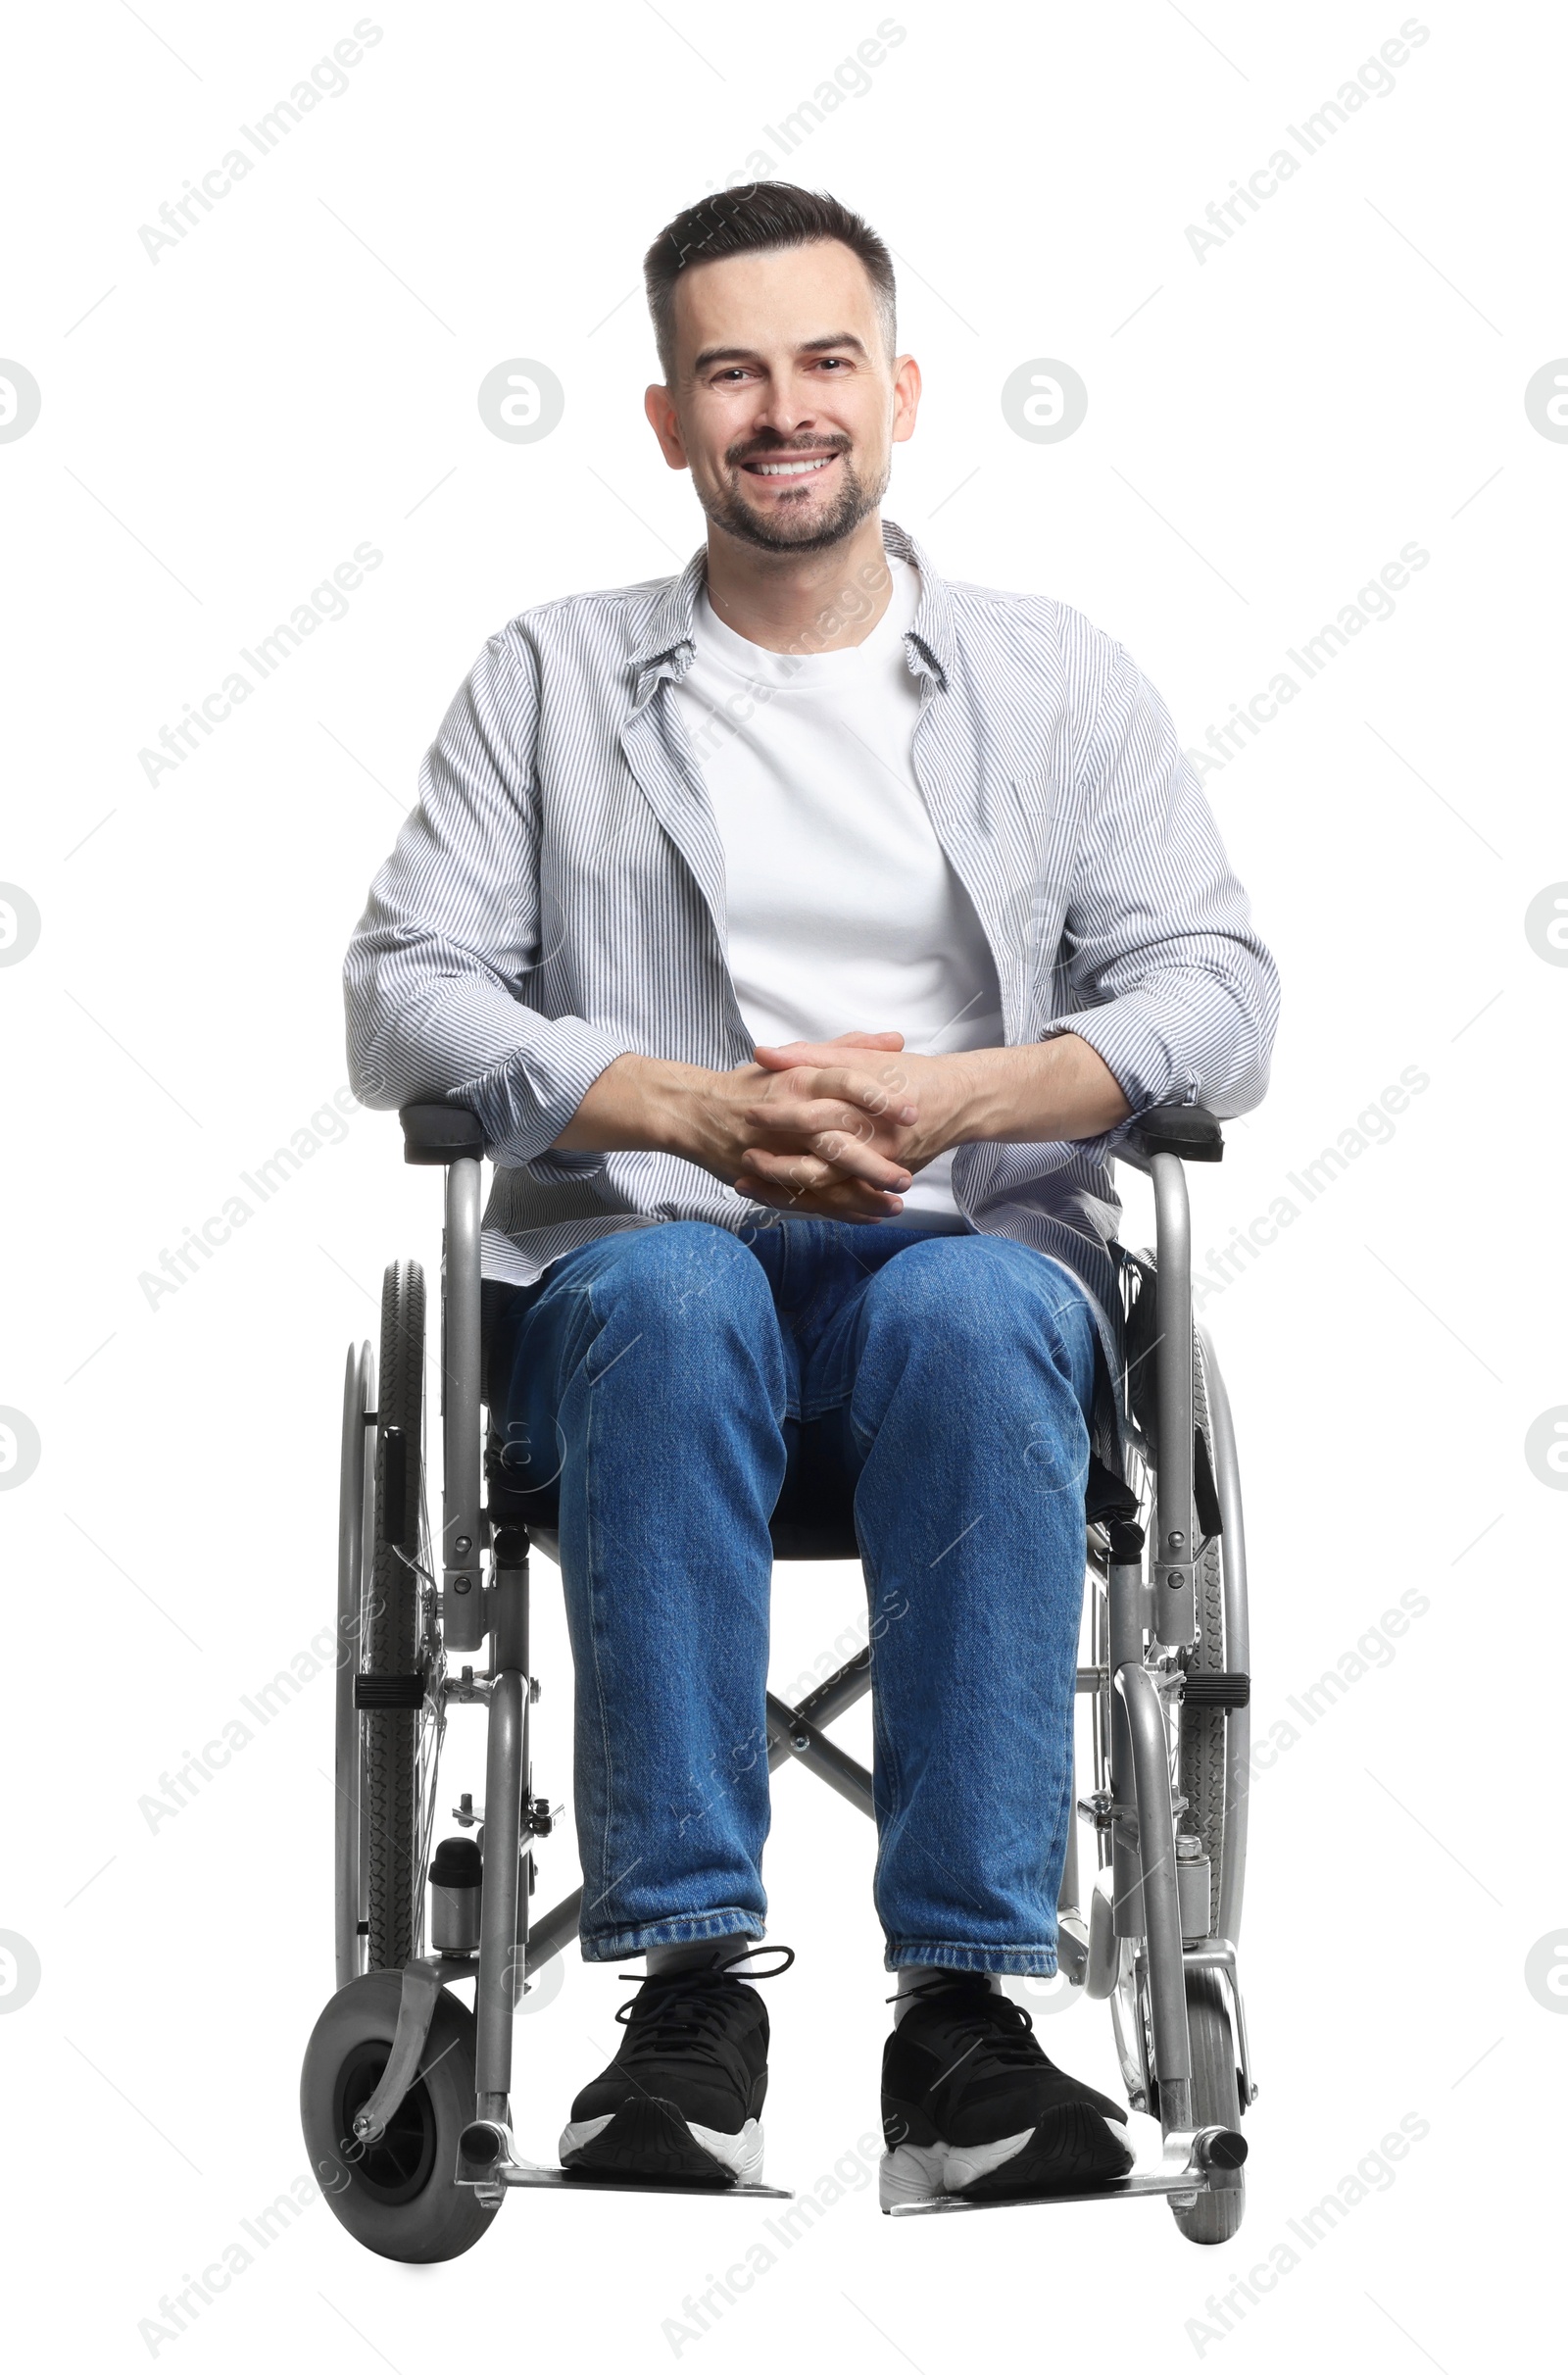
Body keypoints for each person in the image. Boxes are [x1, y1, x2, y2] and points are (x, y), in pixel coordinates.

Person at [343, 182, 1279, 2208]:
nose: (785, 408)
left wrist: (973, 1096)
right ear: (668, 418)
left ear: (901, 391)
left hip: (963, 1276)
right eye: (730, 370)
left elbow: (1218, 992)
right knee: (672, 1298)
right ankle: (687, 1995)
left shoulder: (1053, 682)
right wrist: (676, 1112)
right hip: (639, 1278)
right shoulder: (548, 676)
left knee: (971, 1307)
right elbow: (400, 996)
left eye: (823, 361)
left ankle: (964, 2018)